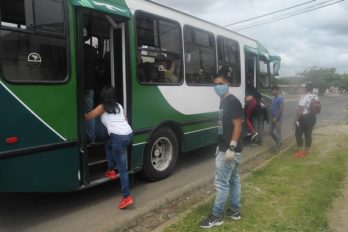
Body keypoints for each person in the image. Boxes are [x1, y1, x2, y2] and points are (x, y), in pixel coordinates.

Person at [199, 72, 243, 229]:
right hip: (226, 147)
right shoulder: (223, 102)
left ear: (227, 84)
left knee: (221, 183)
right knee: (233, 180)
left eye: (221, 83)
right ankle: (235, 211)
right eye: (215, 84)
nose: (218, 86)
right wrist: (221, 143)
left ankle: (217, 216)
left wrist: (231, 146)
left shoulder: (232, 101)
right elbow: (225, 127)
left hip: (230, 150)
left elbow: (238, 124)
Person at [85, 86, 134, 209]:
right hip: (128, 134)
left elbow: (88, 117)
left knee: (123, 169)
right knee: (108, 146)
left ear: (103, 96)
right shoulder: (119, 105)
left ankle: (126, 197)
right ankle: (111, 170)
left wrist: (84, 110)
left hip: (118, 138)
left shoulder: (102, 107)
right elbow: (125, 120)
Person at [293, 82, 318, 158]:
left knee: (298, 133)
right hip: (313, 118)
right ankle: (306, 151)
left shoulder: (304, 97)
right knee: (308, 134)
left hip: (304, 118)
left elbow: (300, 110)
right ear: (312, 89)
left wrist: (295, 120)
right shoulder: (315, 96)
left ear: (306, 88)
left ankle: (300, 151)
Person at [83, 27, 98, 143]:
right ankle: (91, 138)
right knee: (90, 113)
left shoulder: (72, 47)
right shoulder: (93, 50)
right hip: (89, 85)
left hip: (75, 85)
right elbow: (96, 67)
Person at [270, 85, 284, 152]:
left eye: (273, 90)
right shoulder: (273, 98)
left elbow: (281, 109)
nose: (272, 92)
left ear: (277, 91)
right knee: (270, 131)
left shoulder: (280, 98)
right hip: (273, 118)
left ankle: (278, 149)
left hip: (278, 119)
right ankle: (279, 142)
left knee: (278, 133)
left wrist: (276, 117)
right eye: (272, 90)